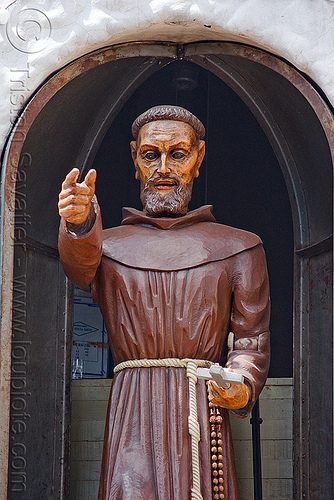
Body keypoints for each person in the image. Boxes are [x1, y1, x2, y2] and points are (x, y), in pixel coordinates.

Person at [58, 105, 270, 500]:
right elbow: (79, 265)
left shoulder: (240, 246)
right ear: (135, 159)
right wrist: (79, 224)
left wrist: (241, 382)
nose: (164, 169)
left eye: (178, 154)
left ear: (198, 158)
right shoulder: (109, 246)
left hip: (202, 403)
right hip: (134, 406)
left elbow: (251, 339)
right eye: (151, 155)